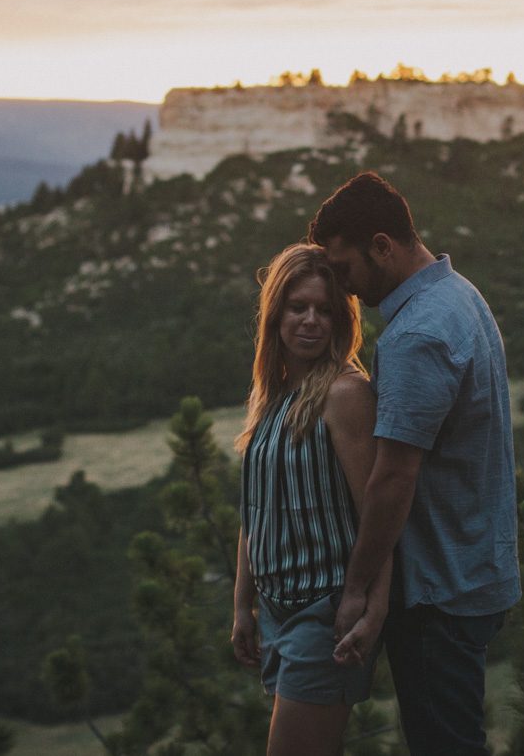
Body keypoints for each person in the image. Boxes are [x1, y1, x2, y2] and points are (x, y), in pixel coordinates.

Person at [310, 172, 520, 756]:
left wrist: (356, 589)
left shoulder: (417, 332)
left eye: (346, 269)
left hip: (438, 589)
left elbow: (394, 476)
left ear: (383, 245)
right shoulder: (459, 295)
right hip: (474, 567)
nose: (346, 290)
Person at [231, 243, 391, 756]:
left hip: (325, 615)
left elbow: (380, 513)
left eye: (325, 309)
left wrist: (372, 608)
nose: (311, 321)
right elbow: (254, 511)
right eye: (298, 307)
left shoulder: (344, 394)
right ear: (275, 314)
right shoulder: (271, 397)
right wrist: (242, 605)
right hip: (276, 613)